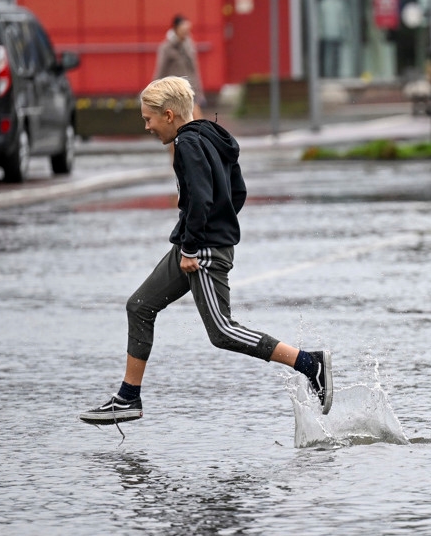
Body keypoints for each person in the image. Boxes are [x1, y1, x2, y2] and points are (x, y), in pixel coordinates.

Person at [79, 76, 333, 426]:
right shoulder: (213, 137)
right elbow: (237, 193)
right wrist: (210, 229)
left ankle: (310, 363)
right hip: (193, 241)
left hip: (200, 249)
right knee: (139, 306)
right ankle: (128, 398)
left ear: (169, 115)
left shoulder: (186, 144)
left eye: (148, 118)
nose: (146, 126)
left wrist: (197, 244)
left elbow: (200, 198)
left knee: (223, 331)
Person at [154, 15, 206, 111]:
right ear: (176, 29)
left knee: (196, 121)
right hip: (175, 94)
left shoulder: (189, 46)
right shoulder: (167, 48)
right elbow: (160, 71)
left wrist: (200, 93)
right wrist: (154, 94)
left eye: (187, 30)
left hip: (190, 91)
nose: (186, 33)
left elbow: (194, 71)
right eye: (183, 30)